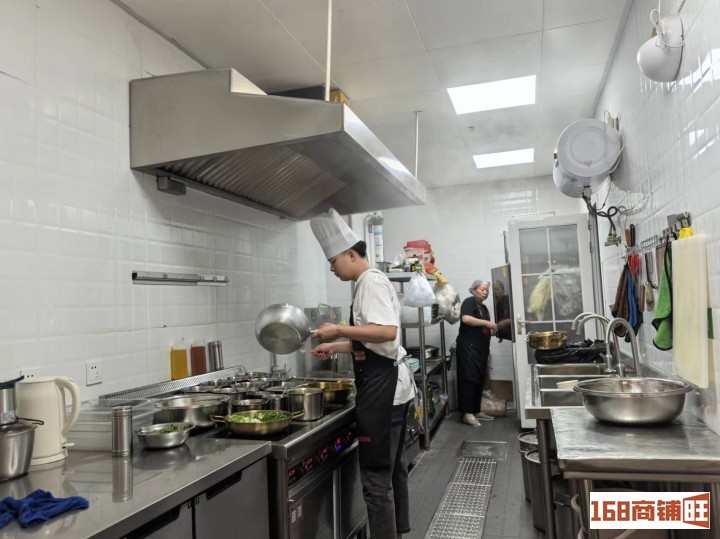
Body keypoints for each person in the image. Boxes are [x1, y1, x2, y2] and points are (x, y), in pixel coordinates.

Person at [309, 209, 415, 539]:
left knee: (376, 481)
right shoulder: (368, 282)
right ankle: (398, 532)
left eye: (333, 261)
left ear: (351, 255)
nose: (332, 268)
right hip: (390, 387)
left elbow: (386, 331)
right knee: (393, 472)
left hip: (385, 393)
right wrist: (336, 345)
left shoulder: (370, 282)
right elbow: (371, 341)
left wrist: (339, 329)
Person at [456, 280, 497, 427]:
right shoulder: (469, 302)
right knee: (469, 378)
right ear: (473, 290)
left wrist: (495, 332)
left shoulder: (483, 308)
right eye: (482, 289)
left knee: (479, 378)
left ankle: (476, 410)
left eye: (487, 290)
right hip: (469, 347)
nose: (485, 292)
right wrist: (488, 324)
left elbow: (481, 329)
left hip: (481, 348)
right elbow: (466, 319)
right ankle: (467, 414)